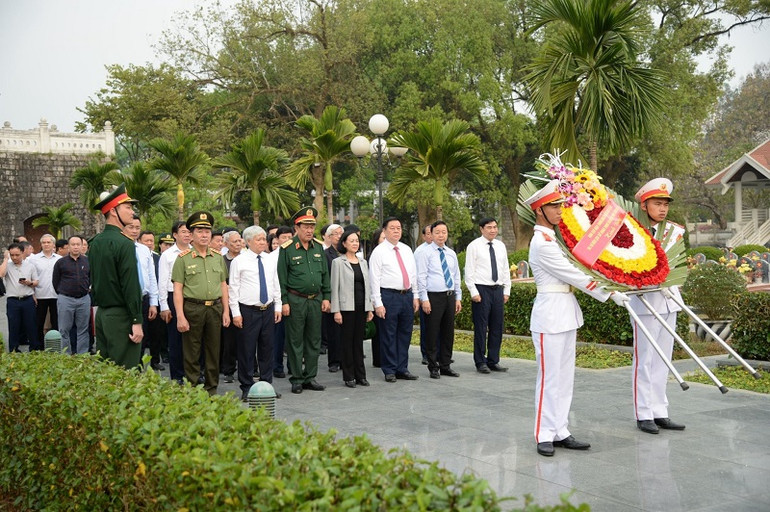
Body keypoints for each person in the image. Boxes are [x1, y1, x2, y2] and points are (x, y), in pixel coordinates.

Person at [525, 180, 629, 456]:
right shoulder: (542, 243)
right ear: (539, 211)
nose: (560, 211)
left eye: (560, 205)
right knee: (549, 378)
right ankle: (544, 433)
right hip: (549, 315)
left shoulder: (554, 240)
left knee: (564, 377)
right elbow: (574, 275)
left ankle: (560, 429)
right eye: (553, 206)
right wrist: (608, 293)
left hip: (566, 313)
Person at [630, 178, 687, 435]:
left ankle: (659, 410)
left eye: (665, 204)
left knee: (663, 359)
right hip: (644, 302)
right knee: (645, 359)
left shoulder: (673, 232)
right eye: (657, 203)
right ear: (644, 205)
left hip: (668, 300)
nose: (662, 208)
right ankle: (644, 413)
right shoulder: (632, 233)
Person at [172, 211, 230, 394]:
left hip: (214, 308)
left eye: (207, 231)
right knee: (192, 352)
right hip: (193, 308)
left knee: (213, 351)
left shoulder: (218, 257)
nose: (204, 235)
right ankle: (193, 389)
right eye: (199, 231)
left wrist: (226, 311)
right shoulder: (183, 259)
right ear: (191, 235)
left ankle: (211, 389)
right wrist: (180, 316)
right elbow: (178, 289)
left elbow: (223, 285)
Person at [88, 184, 144, 369]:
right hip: (122, 317)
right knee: (126, 375)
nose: (131, 211)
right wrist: (136, 320)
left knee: (106, 373)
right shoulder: (124, 243)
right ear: (113, 211)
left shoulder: (95, 243)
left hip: (102, 315)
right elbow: (130, 286)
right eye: (127, 207)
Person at [276, 207, 331, 394]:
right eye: (305, 226)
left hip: (316, 300)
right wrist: (284, 302)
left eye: (312, 226)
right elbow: (281, 278)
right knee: (295, 340)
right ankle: (297, 378)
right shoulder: (287, 249)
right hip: (295, 300)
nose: (309, 230)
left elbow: (325, 274)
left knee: (314, 340)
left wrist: (327, 297)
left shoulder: (318, 247)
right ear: (296, 227)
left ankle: (310, 377)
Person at [229, 226, 282, 400]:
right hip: (247, 311)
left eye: (263, 239)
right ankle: (247, 387)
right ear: (248, 241)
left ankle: (267, 384)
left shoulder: (269, 259)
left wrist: (278, 306)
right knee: (247, 350)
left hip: (267, 309)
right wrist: (235, 313)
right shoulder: (240, 260)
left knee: (267, 348)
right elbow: (233, 289)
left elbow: (275, 284)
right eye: (258, 239)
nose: (262, 242)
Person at [368, 217, 420, 383]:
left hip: (407, 295)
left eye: (399, 228)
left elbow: (413, 274)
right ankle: (389, 369)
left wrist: (416, 295)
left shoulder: (406, 249)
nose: (396, 231)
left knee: (405, 333)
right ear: (384, 230)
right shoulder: (379, 252)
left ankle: (402, 368)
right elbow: (374, 279)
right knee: (388, 334)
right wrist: (378, 303)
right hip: (388, 296)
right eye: (392, 228)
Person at [415, 220, 462, 379]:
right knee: (432, 332)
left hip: (449, 296)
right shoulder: (425, 253)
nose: (441, 235)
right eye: (437, 232)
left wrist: (458, 297)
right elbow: (421, 277)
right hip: (433, 297)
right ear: (431, 234)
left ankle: (445, 365)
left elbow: (456, 276)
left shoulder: (451, 253)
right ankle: (433, 366)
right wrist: (424, 298)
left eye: (444, 232)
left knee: (448, 332)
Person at [464, 217, 511, 374]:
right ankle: (480, 361)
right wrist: (473, 292)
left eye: (495, 227)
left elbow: (505, 269)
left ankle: (493, 360)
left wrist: (506, 290)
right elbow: (469, 271)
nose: (493, 230)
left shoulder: (500, 246)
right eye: (489, 227)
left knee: (497, 326)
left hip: (497, 289)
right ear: (481, 229)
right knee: (481, 327)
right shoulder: (474, 246)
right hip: (481, 290)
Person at [330, 230, 373, 388]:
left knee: (358, 343)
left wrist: (370, 308)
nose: (355, 243)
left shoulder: (363, 262)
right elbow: (334, 288)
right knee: (347, 343)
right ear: (344, 243)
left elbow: (367, 287)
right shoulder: (338, 263)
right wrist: (336, 311)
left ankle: (361, 375)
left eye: (357, 241)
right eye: (351, 241)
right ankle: (349, 376)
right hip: (346, 308)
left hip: (362, 307)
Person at [124, 216, 161, 370]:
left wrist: (153, 302)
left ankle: (138, 370)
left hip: (144, 299)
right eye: (131, 227)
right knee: (127, 337)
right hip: (124, 301)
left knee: (142, 337)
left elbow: (151, 277)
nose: (134, 231)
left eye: (137, 228)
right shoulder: (119, 247)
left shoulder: (145, 250)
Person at [158, 221, 191, 383]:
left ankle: (194, 373)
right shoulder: (168, 255)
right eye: (183, 232)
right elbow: (163, 282)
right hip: (173, 298)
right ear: (175, 235)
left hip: (192, 298)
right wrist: (164, 305)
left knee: (193, 337)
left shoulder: (196, 252)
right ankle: (177, 375)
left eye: (189, 232)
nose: (187, 234)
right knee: (176, 338)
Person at [52, 235, 90, 354]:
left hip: (83, 299)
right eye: (73, 244)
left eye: (78, 244)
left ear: (82, 246)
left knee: (83, 329)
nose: (75, 247)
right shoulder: (61, 262)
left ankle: (82, 355)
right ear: (68, 247)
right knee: (64, 330)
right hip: (66, 299)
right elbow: (55, 281)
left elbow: (91, 278)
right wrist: (62, 293)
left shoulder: (87, 261)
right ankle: (66, 356)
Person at [1, 243, 39, 351]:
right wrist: (5, 259)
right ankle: (13, 350)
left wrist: (29, 283)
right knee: (13, 326)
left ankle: (34, 348)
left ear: (22, 253)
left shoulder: (30, 266)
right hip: (13, 300)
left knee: (31, 325)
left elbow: (36, 281)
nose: (14, 257)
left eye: (17, 255)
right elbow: (1, 274)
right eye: (12, 255)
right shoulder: (7, 265)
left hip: (27, 299)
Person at [270, 225, 294, 378]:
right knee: (278, 337)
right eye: (283, 237)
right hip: (277, 301)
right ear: (277, 240)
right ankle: (277, 366)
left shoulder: (296, 253)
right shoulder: (271, 257)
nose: (287, 240)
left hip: (295, 299)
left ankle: (293, 366)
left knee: (294, 336)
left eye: (289, 237)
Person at [220, 229, 243, 383]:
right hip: (228, 303)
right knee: (229, 340)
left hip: (246, 302)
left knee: (246, 339)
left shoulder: (247, 258)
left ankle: (249, 368)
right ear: (226, 244)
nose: (238, 244)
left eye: (240, 240)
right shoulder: (221, 260)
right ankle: (228, 370)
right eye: (234, 241)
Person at [30, 234, 61, 345]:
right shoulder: (34, 259)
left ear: (53, 244)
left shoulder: (59, 259)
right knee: (39, 322)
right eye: (44, 242)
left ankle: (56, 345)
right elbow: (31, 277)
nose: (46, 244)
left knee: (56, 322)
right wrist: (33, 294)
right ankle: (40, 346)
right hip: (40, 294)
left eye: (49, 242)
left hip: (56, 295)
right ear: (41, 244)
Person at [323, 224, 343, 372]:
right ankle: (334, 361)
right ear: (329, 237)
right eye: (335, 234)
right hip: (332, 296)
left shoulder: (348, 253)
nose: (338, 236)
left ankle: (346, 359)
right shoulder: (325, 254)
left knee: (347, 331)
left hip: (347, 297)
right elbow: (325, 277)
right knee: (334, 331)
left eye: (341, 233)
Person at [413, 224, 434, 365]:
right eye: (429, 233)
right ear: (424, 236)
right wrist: (420, 295)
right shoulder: (420, 252)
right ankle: (426, 354)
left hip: (439, 293)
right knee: (427, 326)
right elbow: (418, 276)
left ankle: (437, 353)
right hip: (425, 293)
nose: (432, 236)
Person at [367, 228, 386, 368]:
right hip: (377, 296)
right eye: (383, 238)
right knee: (379, 330)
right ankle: (378, 358)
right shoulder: (373, 256)